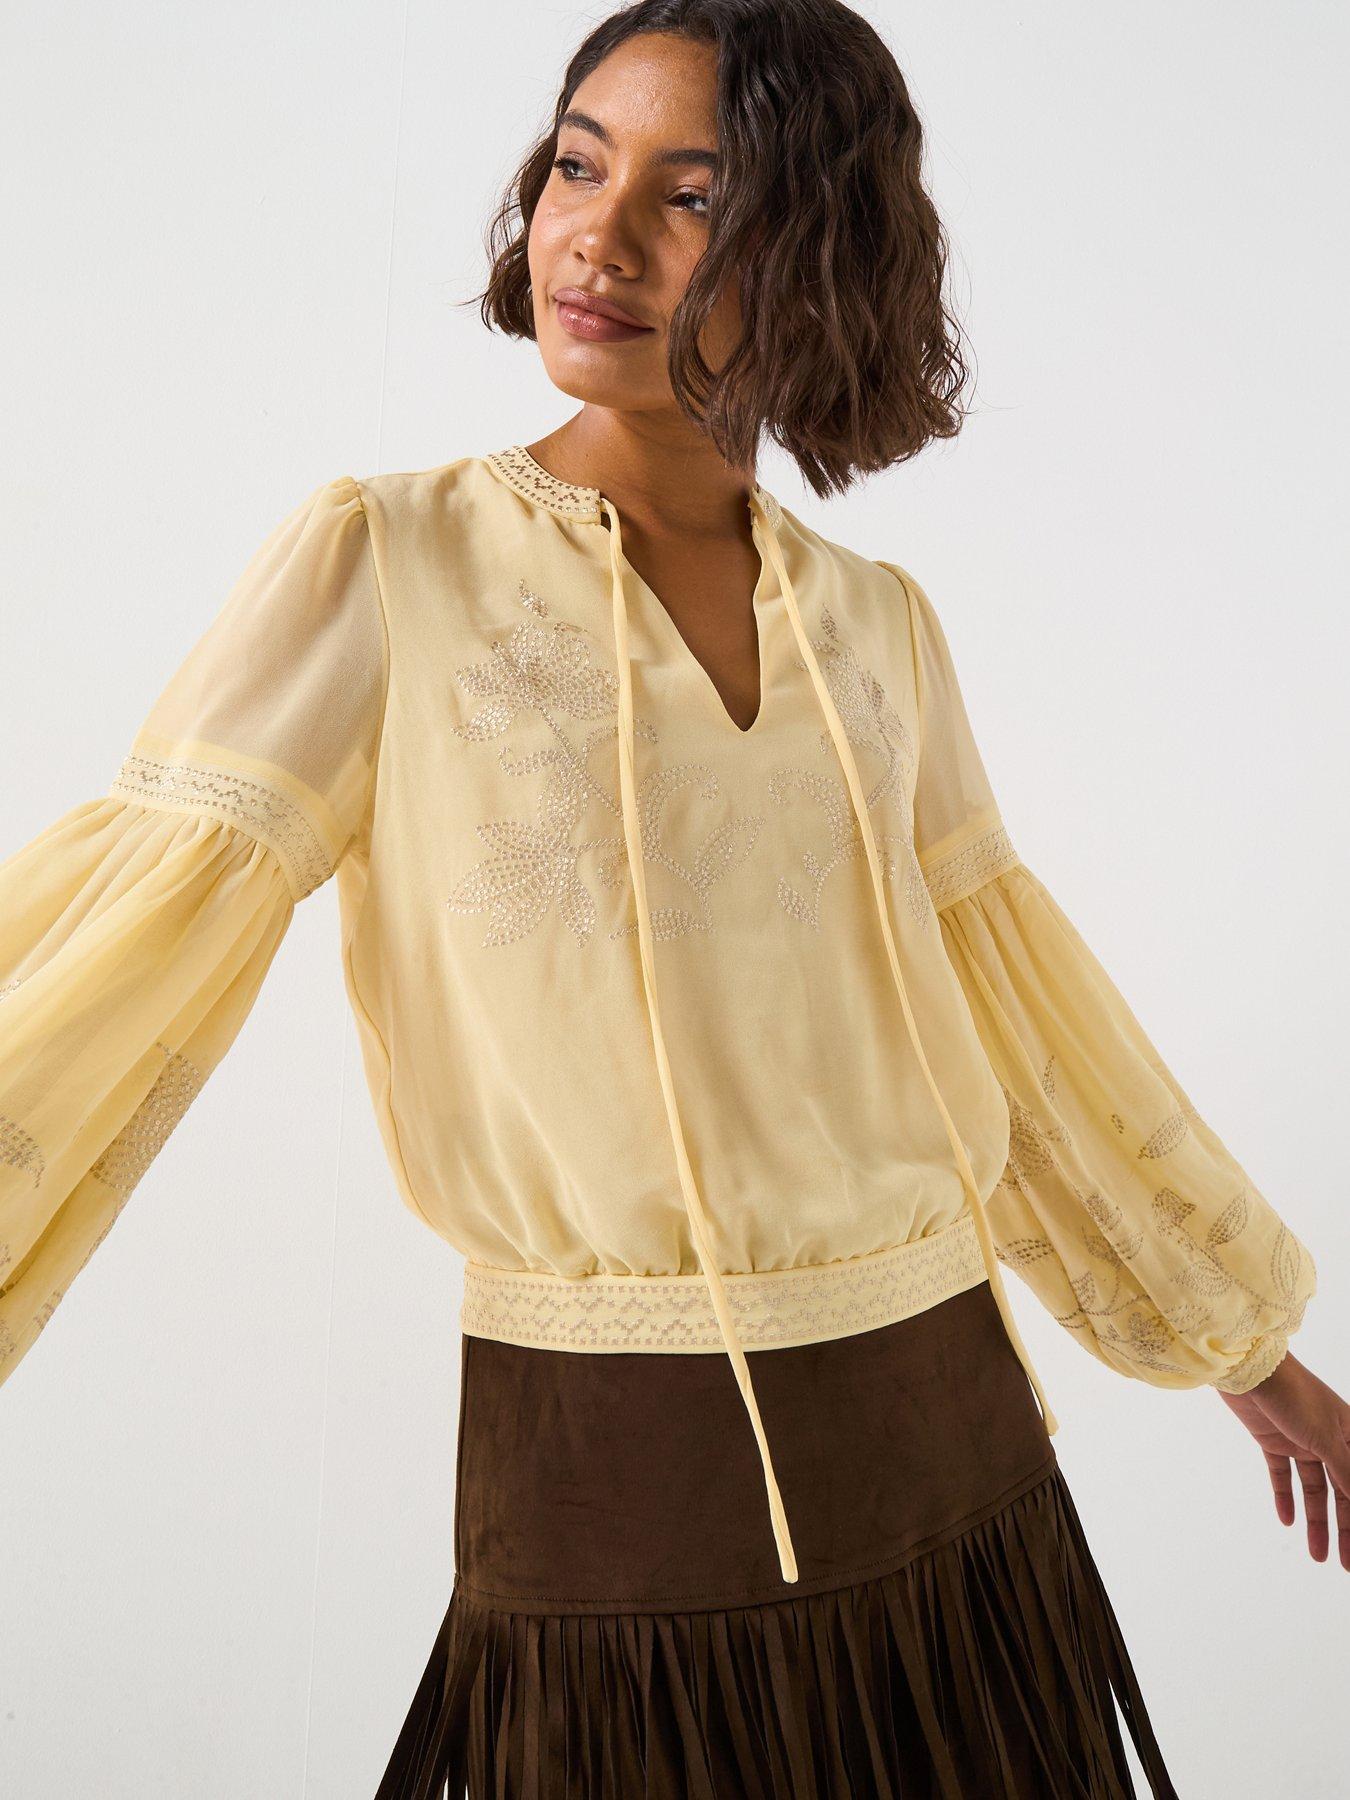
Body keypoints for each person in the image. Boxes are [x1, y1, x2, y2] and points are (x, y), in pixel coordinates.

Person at [3, 2, 1345, 1795]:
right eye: (577, 166)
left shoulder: (876, 627)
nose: (598, 236)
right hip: (607, 1491)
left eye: (690, 195)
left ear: (818, 246)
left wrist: (1243, 1349)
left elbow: (1012, 1027)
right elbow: (111, 971)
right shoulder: (388, 563)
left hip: (955, 1467)